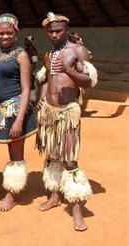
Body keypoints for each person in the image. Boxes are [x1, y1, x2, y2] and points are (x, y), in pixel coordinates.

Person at [36, 12, 97, 231]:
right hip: (50, 112)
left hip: (68, 112)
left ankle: (78, 209)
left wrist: (70, 70)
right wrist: (42, 98)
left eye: (58, 30)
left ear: (66, 29)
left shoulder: (77, 51)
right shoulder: (48, 55)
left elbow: (89, 82)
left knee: (69, 160)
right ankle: (54, 197)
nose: (54, 34)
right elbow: (45, 80)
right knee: (51, 157)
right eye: (50, 31)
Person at [0, 13, 37, 212]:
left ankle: (12, 194)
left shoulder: (21, 55)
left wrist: (19, 119)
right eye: (2, 33)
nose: (5, 37)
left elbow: (26, 89)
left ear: (15, 33)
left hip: (14, 108)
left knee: (14, 153)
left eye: (9, 33)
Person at [24, 35, 39, 104]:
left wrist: (30, 72)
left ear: (30, 41)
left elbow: (34, 62)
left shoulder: (33, 50)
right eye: (25, 40)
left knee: (31, 85)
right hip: (25, 71)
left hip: (30, 72)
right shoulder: (25, 50)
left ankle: (32, 100)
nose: (25, 42)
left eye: (26, 40)